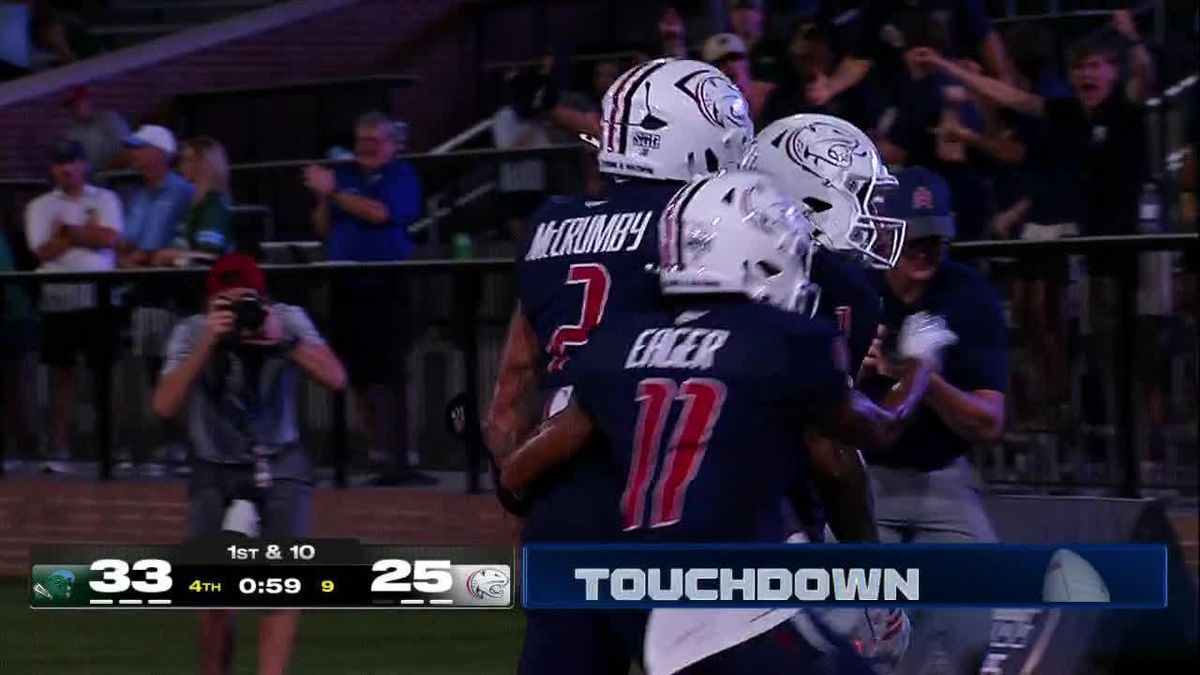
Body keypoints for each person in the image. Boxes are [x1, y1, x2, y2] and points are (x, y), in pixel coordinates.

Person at [499, 170, 952, 674]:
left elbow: (518, 470)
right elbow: (879, 429)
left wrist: (523, 513)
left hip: (641, 592)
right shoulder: (785, 344)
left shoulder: (617, 343)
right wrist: (921, 362)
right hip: (734, 596)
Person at [484, 58, 754, 674]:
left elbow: (509, 397)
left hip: (560, 494)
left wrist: (525, 503)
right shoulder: (699, 225)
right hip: (667, 491)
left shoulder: (549, 224)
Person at [152, 254, 345, 675]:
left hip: (280, 461)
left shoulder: (287, 320)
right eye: (226, 305)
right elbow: (164, 404)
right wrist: (208, 341)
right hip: (215, 466)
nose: (239, 315)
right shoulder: (192, 330)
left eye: (246, 302)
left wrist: (284, 342)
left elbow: (336, 378)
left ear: (264, 299)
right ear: (209, 305)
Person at [859, 167, 1007, 675]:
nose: (926, 249)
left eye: (935, 237)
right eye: (914, 236)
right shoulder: (853, 289)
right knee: (852, 636)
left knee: (967, 637)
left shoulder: (967, 294)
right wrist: (854, 370)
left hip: (942, 483)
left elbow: (988, 423)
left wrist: (923, 375)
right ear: (884, 232)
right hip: (861, 484)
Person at [304, 111, 429, 485]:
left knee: (393, 372)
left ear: (392, 144)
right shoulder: (344, 175)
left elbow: (380, 213)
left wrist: (333, 192)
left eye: (375, 142)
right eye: (362, 141)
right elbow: (322, 227)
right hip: (345, 284)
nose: (367, 148)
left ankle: (405, 456)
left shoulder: (401, 175)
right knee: (357, 374)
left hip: (387, 284)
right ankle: (376, 454)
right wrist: (323, 199)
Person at [23, 140, 122, 473]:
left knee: (102, 374)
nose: (66, 169)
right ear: (53, 168)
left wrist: (65, 232)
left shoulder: (105, 199)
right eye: (60, 163)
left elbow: (109, 239)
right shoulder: (40, 206)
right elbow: (43, 251)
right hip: (59, 298)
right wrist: (85, 234)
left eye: (72, 162)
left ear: (84, 165)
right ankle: (59, 448)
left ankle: (110, 451)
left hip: (99, 297)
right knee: (62, 374)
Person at [119, 123, 195, 473]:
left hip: (174, 290)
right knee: (153, 365)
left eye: (140, 148)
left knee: (177, 363)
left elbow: (182, 243)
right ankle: (171, 441)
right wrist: (130, 258)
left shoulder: (182, 191)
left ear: (160, 153)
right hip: (141, 290)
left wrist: (149, 257)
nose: (133, 154)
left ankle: (192, 443)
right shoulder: (137, 196)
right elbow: (127, 242)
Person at [149, 136, 233, 267]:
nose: (182, 166)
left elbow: (209, 255)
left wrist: (172, 257)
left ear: (205, 165)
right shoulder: (193, 202)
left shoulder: (213, 205)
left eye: (189, 160)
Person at [702, 32, 773, 124]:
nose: (729, 65)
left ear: (747, 61)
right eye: (721, 61)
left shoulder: (770, 93)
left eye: (735, 58)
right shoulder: (706, 107)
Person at [62, 85, 130, 170]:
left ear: (89, 101)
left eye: (78, 103)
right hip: (97, 174)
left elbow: (127, 148)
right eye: (71, 106)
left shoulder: (110, 118)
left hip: (125, 169)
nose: (74, 109)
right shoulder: (71, 134)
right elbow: (77, 162)